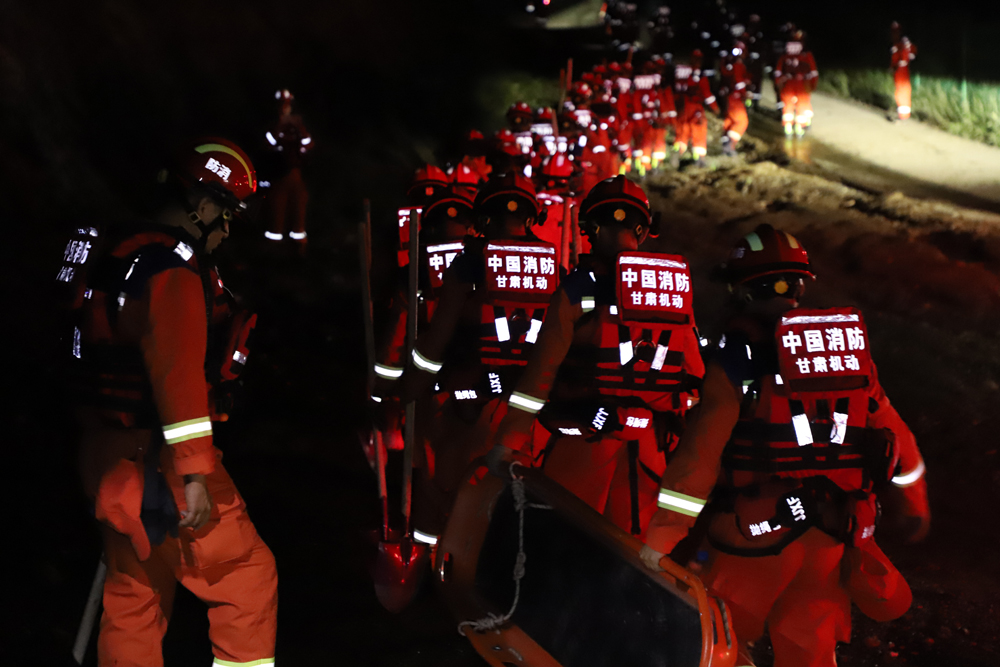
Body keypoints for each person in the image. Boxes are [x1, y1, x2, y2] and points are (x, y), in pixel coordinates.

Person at [639, 224, 931, 667]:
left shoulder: (739, 352)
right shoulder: (842, 352)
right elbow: (898, 435)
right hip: (831, 536)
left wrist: (660, 539)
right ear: (798, 285)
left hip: (752, 538)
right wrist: (914, 503)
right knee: (810, 651)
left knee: (718, 642)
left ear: (740, 287)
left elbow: (702, 450)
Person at [72, 138, 277, 667]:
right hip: (159, 465)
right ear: (203, 206)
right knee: (247, 579)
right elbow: (177, 375)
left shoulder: (114, 255)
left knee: (134, 598)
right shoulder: (172, 274)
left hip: (106, 460)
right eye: (226, 215)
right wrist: (193, 474)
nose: (227, 231)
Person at [488, 175, 704, 538]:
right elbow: (696, 375)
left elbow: (541, 373)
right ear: (643, 228)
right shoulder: (670, 289)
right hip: (650, 450)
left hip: (584, 440)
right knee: (631, 554)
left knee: (564, 540)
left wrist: (508, 440)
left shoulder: (576, 288)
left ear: (588, 228)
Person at [387, 173, 558, 546]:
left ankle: (430, 562)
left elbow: (440, 334)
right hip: (527, 411)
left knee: (441, 483)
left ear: (481, 220)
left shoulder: (471, 261)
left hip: (464, 400)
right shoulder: (553, 267)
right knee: (506, 498)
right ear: (532, 217)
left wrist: (414, 387)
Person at [263, 89, 312, 249]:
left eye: (287, 104)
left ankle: (299, 251)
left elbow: (309, 144)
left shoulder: (299, 125)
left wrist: (299, 128)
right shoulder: (271, 124)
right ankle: (273, 251)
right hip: (278, 177)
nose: (285, 107)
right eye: (282, 104)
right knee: (277, 214)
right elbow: (267, 144)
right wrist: (278, 127)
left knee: (299, 212)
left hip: (296, 175)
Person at [672, 50, 719, 167]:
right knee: (699, 129)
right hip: (694, 106)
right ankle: (699, 160)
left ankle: (677, 155)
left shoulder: (681, 72)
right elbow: (706, 92)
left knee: (682, 130)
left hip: (682, 106)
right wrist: (715, 108)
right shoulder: (698, 74)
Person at [775, 32, 818, 137]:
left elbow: (778, 72)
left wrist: (778, 83)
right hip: (802, 84)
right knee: (802, 105)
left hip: (788, 84)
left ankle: (788, 128)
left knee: (788, 106)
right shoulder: (806, 55)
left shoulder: (784, 56)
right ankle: (800, 128)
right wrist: (813, 85)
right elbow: (813, 72)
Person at [720, 41, 752, 156]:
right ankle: (730, 147)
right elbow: (739, 83)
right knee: (742, 122)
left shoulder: (728, 64)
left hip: (728, 96)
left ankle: (725, 146)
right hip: (735, 98)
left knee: (730, 121)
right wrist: (745, 93)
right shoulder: (738, 65)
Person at [890, 22, 917, 121]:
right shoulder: (897, 46)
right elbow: (895, 58)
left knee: (903, 91)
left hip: (902, 71)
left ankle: (904, 115)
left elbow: (910, 55)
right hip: (899, 71)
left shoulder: (904, 45)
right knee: (900, 91)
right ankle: (902, 114)